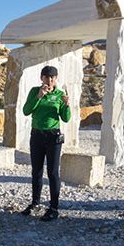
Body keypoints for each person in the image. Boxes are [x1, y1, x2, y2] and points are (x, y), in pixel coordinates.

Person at [20, 65, 71, 221]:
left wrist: (67, 105)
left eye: (53, 77)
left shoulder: (60, 94)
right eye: (47, 77)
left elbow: (66, 118)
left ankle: (54, 207)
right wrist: (39, 97)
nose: (50, 80)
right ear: (41, 78)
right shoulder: (35, 91)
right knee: (36, 171)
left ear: (56, 79)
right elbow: (26, 111)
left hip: (53, 136)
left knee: (53, 172)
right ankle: (35, 202)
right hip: (36, 135)